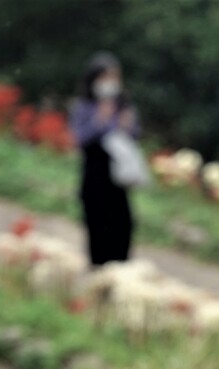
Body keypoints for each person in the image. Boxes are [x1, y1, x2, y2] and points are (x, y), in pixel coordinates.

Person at [70, 52, 140, 267]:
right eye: (105, 78)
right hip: (94, 177)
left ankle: (121, 275)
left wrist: (126, 124)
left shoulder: (124, 107)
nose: (110, 83)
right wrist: (100, 119)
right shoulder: (84, 107)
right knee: (98, 228)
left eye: (114, 78)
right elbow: (81, 138)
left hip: (117, 180)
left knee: (123, 226)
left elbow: (134, 135)